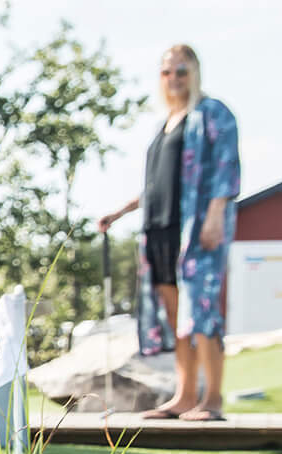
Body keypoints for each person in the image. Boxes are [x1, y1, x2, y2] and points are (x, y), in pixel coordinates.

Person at [96, 43, 241, 421]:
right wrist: (121, 212)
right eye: (167, 72)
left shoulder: (211, 113)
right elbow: (159, 184)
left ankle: (212, 400)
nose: (174, 78)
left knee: (203, 313)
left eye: (181, 71)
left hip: (194, 229)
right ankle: (184, 396)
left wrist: (215, 215)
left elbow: (226, 170)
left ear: (195, 73)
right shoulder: (165, 124)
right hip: (159, 231)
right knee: (178, 319)